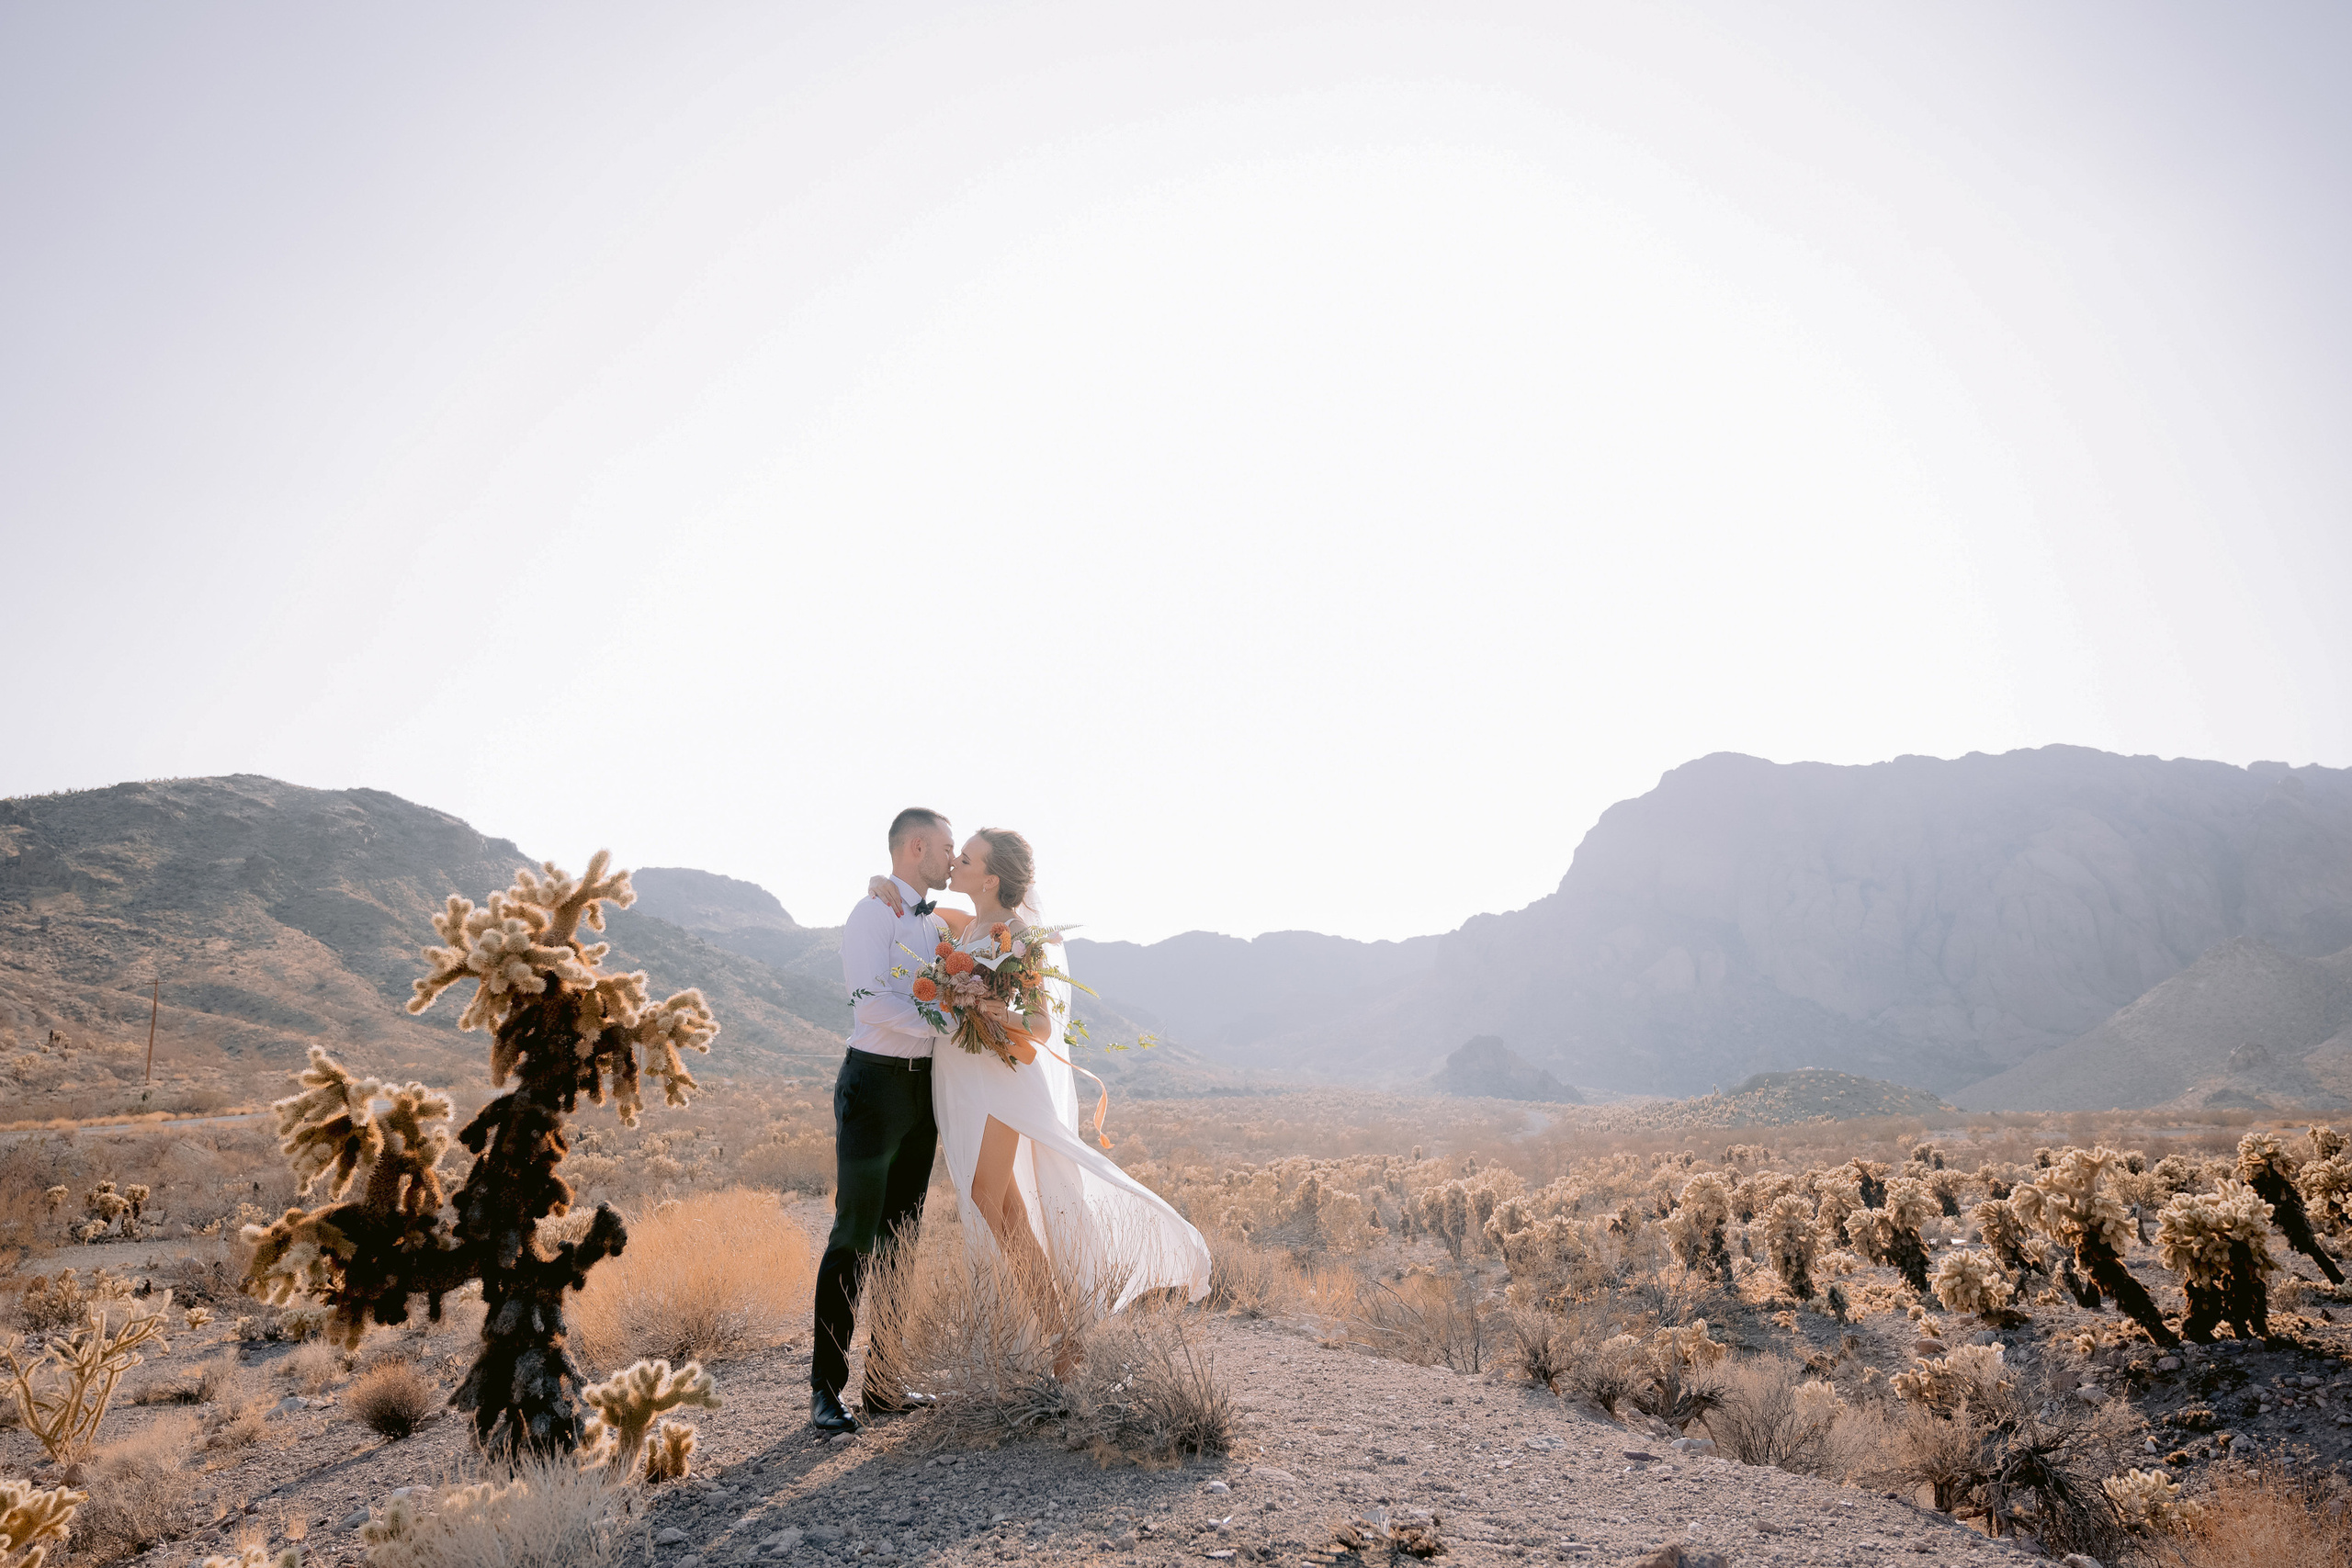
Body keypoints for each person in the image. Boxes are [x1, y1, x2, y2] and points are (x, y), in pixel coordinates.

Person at [867, 828, 1209, 1370]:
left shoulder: (1019, 936)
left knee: (987, 1196)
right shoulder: (970, 925)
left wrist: (996, 1011)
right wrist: (880, 884)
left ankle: (1060, 1336)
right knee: (1004, 1206)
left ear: (992, 877)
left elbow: (1042, 1025)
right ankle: (1059, 1341)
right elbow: (919, 915)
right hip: (960, 1077)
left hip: (1001, 1079)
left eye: (968, 857)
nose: (956, 861)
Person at [811, 806, 956, 1436]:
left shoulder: (935, 920)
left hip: (923, 1095)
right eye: (948, 846)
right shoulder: (872, 914)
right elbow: (870, 1001)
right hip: (874, 1087)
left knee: (903, 1236)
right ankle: (824, 1389)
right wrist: (947, 1021)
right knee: (854, 1236)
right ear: (916, 846)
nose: (954, 857)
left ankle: (886, 1382)